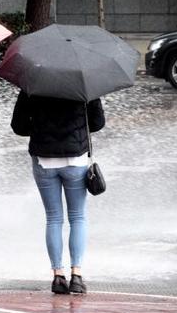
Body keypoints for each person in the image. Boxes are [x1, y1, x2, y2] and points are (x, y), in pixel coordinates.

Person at [10, 92, 105, 294]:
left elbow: (18, 126)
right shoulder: (83, 83)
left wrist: (39, 128)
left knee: (53, 218)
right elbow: (97, 123)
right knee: (77, 217)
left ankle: (58, 276)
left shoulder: (32, 83)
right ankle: (77, 275)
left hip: (44, 159)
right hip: (75, 159)